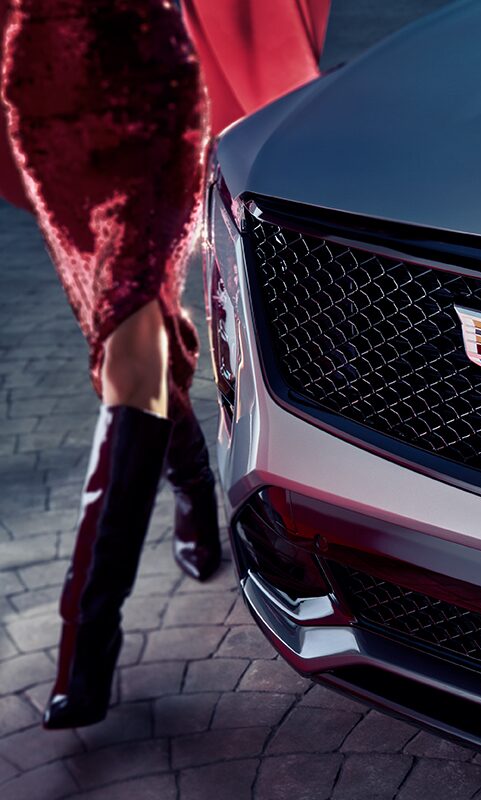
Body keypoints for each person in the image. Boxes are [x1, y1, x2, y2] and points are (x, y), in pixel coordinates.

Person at [0, 0, 330, 729]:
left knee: (131, 349)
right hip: (45, 97)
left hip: (149, 91)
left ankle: (85, 649)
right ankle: (189, 479)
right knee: (127, 333)